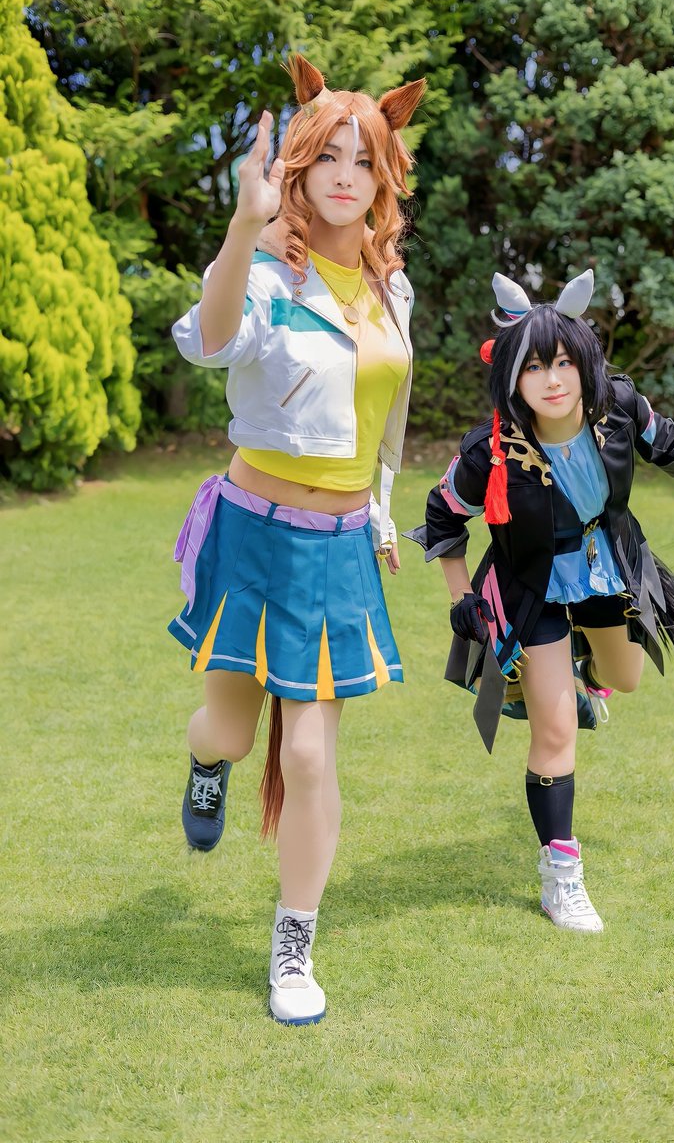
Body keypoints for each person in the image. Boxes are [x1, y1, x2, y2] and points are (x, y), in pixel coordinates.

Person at [168, 55, 425, 1024]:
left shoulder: (392, 289)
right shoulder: (271, 274)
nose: (347, 175)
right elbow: (208, 339)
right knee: (232, 732)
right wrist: (242, 229)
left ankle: (293, 945)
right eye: (328, 157)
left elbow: (384, 417)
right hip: (252, 534)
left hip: (338, 545)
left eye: (365, 159)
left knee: (310, 758)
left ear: (385, 172)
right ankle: (206, 766)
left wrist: (381, 507)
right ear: (300, 169)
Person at [408, 269, 674, 933]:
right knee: (555, 732)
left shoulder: (619, 406)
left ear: (584, 363)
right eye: (534, 368)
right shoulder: (491, 449)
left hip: (608, 563)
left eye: (563, 362)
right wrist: (461, 596)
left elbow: (669, 443)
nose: (552, 380)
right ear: (511, 378)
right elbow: (442, 515)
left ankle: (582, 676)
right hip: (529, 585)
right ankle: (561, 876)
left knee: (624, 678)